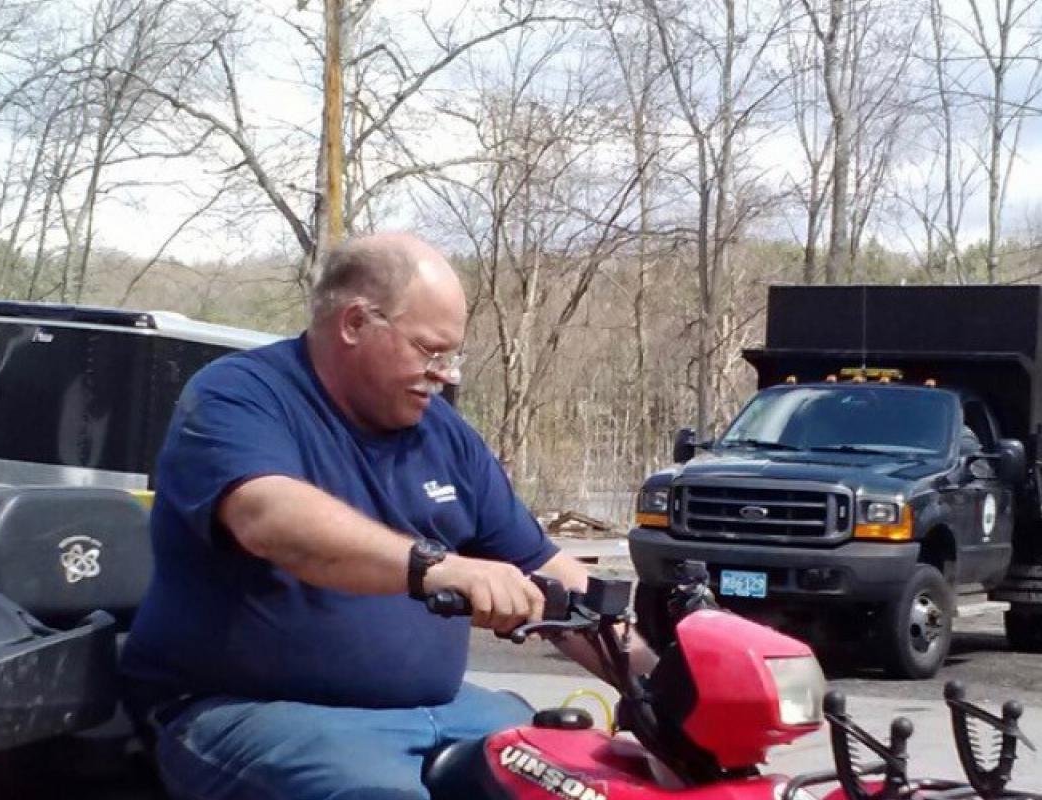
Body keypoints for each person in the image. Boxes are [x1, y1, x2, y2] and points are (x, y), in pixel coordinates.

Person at [120, 231, 654, 800]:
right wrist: (440, 567)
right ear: (354, 324)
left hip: (442, 709)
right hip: (253, 713)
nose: (446, 373)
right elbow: (270, 518)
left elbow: (546, 570)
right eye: (430, 351)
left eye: (453, 355)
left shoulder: (444, 434)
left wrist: (665, 681)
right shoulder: (240, 395)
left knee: (596, 782)